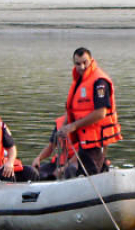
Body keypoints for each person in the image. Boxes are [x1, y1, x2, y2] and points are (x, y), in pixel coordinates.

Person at [57, 47, 122, 176]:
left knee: (91, 173)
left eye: (85, 62)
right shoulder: (80, 80)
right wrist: (64, 126)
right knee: (88, 171)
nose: (82, 66)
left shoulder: (99, 82)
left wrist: (74, 126)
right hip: (85, 138)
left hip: (96, 138)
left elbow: (101, 113)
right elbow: (73, 110)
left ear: (91, 60)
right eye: (78, 63)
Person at [31, 115, 78, 181]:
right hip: (60, 162)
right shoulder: (60, 122)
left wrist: (64, 168)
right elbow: (50, 147)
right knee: (34, 173)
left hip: (76, 162)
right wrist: (39, 158)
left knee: (69, 171)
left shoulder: (83, 121)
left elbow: (82, 152)